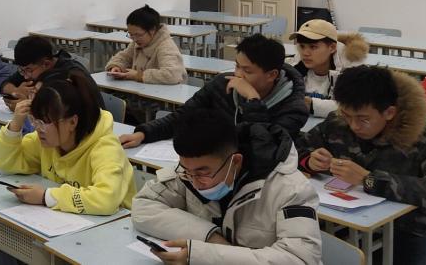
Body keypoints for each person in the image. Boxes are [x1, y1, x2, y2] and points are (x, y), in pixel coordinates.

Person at [297, 65, 426, 265]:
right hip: (341, 224)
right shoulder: (338, 122)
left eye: (364, 119)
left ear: (389, 112)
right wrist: (309, 161)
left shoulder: (424, 135)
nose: (354, 126)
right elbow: (294, 151)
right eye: (348, 116)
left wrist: (369, 179)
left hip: (411, 230)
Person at [132, 107, 322, 264]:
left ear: (235, 161)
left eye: (203, 173)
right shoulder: (189, 172)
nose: (195, 182)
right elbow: (143, 206)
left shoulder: (291, 190)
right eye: (187, 171)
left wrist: (203, 254)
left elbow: (300, 259)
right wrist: (210, 236)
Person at [120, 34, 307, 147]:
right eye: (237, 66)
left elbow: (264, 147)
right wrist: (144, 133)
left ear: (272, 75)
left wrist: (252, 100)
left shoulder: (293, 108)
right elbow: (185, 116)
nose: (238, 75)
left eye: (247, 71)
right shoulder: (221, 84)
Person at [0, 73, 136, 214]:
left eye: (44, 122)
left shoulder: (106, 148)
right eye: (34, 120)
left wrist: (45, 197)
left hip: (118, 223)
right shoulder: (47, 140)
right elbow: (7, 163)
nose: (37, 128)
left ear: (72, 122)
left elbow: (106, 200)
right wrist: (16, 124)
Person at [0, 35, 106, 112]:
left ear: (46, 64)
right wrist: (16, 91)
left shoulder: (69, 74)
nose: (26, 76)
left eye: (29, 70)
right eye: (22, 70)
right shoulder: (31, 68)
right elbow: (5, 84)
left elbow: (62, 110)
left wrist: (26, 106)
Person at [287, 19, 368, 118]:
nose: (305, 53)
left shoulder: (352, 72)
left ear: (332, 47)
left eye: (313, 47)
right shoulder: (294, 68)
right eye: (302, 46)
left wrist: (311, 104)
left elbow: (353, 106)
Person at [105, 5, 187, 85]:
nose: (134, 39)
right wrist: (116, 67)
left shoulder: (166, 47)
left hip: (166, 92)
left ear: (152, 30)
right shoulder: (137, 42)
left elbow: (172, 75)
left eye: (138, 35)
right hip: (143, 90)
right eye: (131, 34)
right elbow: (124, 57)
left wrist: (138, 75)